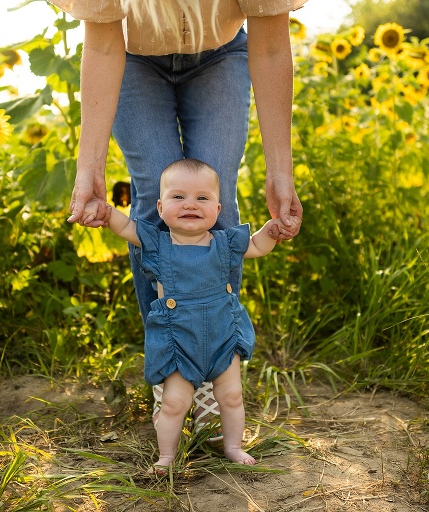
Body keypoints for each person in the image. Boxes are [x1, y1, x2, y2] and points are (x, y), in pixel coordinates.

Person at [60, 0, 306, 442]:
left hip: (221, 56)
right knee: (158, 195)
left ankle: (214, 370)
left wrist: (280, 171)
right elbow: (101, 46)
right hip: (133, 59)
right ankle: (172, 366)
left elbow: (270, 45)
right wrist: (88, 168)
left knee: (213, 201)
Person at [95, 158, 280, 472]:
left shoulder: (224, 243)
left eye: (202, 198)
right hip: (180, 341)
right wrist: (105, 212)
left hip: (222, 336)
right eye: (178, 197)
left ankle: (233, 446)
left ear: (218, 210)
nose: (190, 204)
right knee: (174, 403)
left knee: (232, 396)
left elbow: (258, 246)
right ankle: (166, 456)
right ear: (160, 207)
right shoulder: (157, 242)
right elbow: (126, 226)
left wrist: (273, 230)